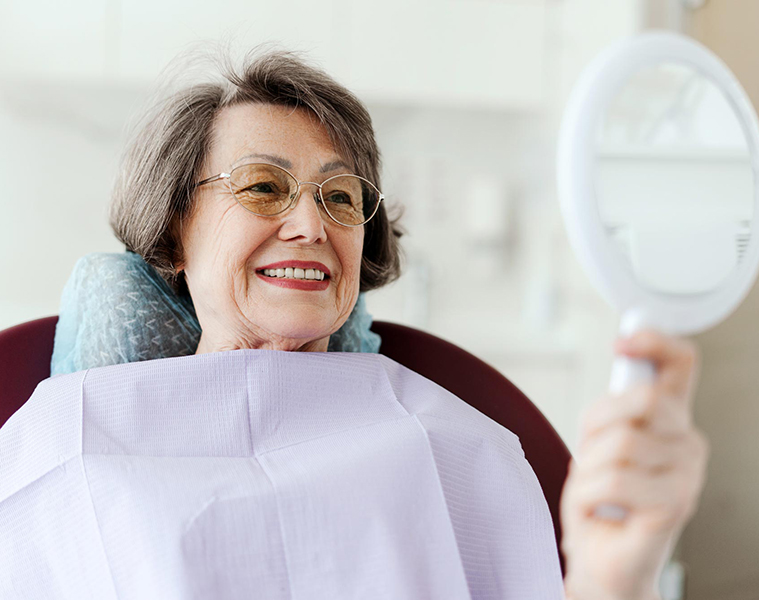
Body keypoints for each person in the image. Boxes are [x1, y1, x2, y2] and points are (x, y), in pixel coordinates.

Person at [59, 49, 708, 599]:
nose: (312, 226)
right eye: (262, 186)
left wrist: (612, 579)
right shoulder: (74, 453)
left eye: (340, 197)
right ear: (174, 232)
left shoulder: (459, 449)